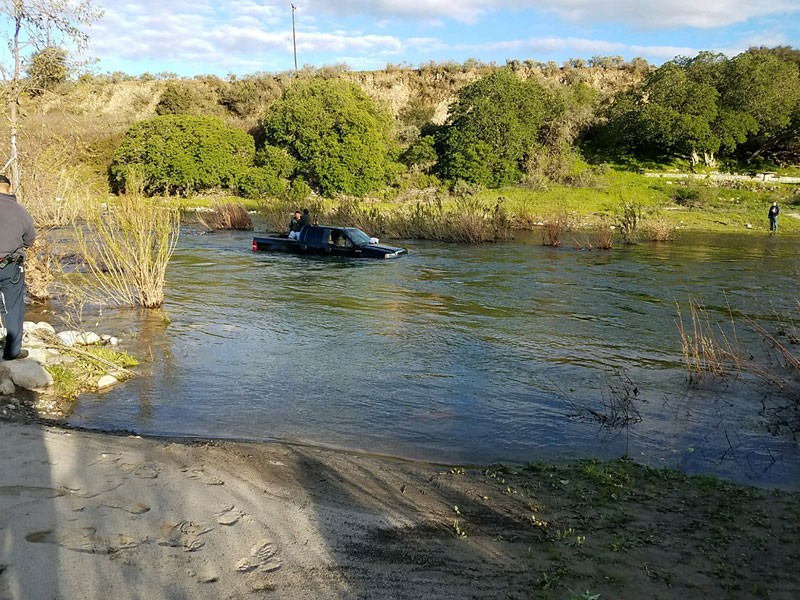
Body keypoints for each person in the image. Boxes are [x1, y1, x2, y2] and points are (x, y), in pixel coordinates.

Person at [0, 174, 36, 360]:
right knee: (13, 307)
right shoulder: (19, 211)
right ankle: (12, 352)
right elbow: (30, 239)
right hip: (9, 266)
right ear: (9, 188)